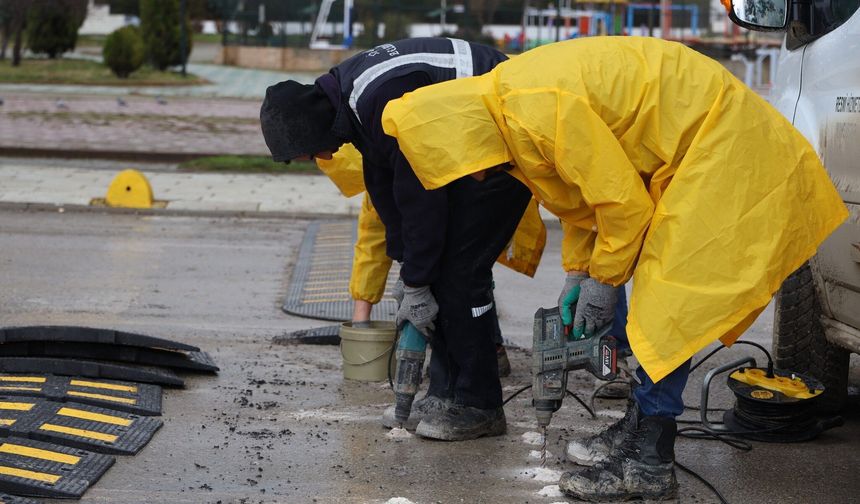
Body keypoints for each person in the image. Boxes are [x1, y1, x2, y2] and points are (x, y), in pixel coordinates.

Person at [380, 36, 847, 501]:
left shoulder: (532, 109)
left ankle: (648, 462)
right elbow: (583, 195)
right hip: (697, 146)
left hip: (723, 147)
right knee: (659, 300)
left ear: (460, 136)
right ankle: (641, 425)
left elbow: (622, 206)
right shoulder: (507, 111)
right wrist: (579, 271)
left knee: (667, 306)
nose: (476, 177)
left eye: (465, 168)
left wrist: (604, 280)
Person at [260, 38, 536, 441]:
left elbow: (421, 194)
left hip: (505, 136)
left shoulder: (377, 98)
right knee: (438, 273)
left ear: (314, 126)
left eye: (312, 151)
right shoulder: (352, 101)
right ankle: (445, 394)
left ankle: (479, 405)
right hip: (470, 140)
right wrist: (409, 269)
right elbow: (384, 185)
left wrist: (418, 279)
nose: (323, 158)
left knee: (460, 273)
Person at [315, 143, 548, 378]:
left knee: (465, 273)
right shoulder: (381, 167)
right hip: (450, 190)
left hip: (483, 185)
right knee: (447, 276)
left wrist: (416, 277)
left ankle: (485, 353)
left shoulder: (409, 152)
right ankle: (460, 357)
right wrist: (361, 320)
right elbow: (373, 239)